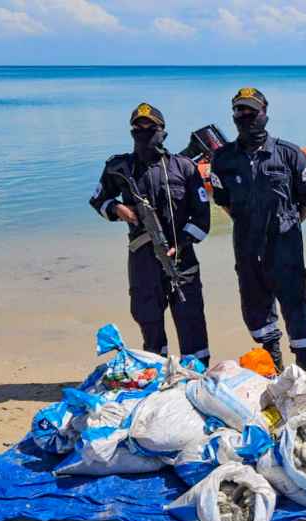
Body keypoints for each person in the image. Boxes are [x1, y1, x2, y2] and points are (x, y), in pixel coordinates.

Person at [89, 102, 211, 366]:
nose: (144, 133)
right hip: (142, 257)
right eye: (138, 128)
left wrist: (181, 245)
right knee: (149, 319)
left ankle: (197, 373)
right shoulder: (119, 167)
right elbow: (98, 200)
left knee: (191, 319)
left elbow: (202, 218)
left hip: (181, 259)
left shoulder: (184, 168)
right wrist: (119, 209)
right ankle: (157, 369)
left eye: (151, 128)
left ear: (163, 132)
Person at [209, 88, 306, 373]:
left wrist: (285, 226)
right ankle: (274, 363)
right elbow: (223, 202)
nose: (245, 116)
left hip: (285, 247)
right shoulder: (222, 160)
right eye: (239, 111)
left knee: (296, 306)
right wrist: (249, 225)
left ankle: (304, 366)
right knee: (255, 307)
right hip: (246, 246)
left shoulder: (290, 154)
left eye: (251, 111)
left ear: (265, 114)